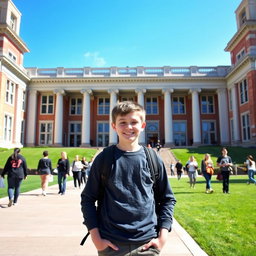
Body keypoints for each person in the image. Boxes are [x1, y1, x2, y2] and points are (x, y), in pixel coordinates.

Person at [81, 101, 176, 256]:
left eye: (134, 122)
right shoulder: (104, 158)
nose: (129, 127)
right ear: (114, 126)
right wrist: (96, 238)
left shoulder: (152, 158)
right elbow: (88, 199)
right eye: (122, 123)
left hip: (148, 244)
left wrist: (162, 237)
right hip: (111, 245)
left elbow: (167, 198)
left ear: (143, 125)